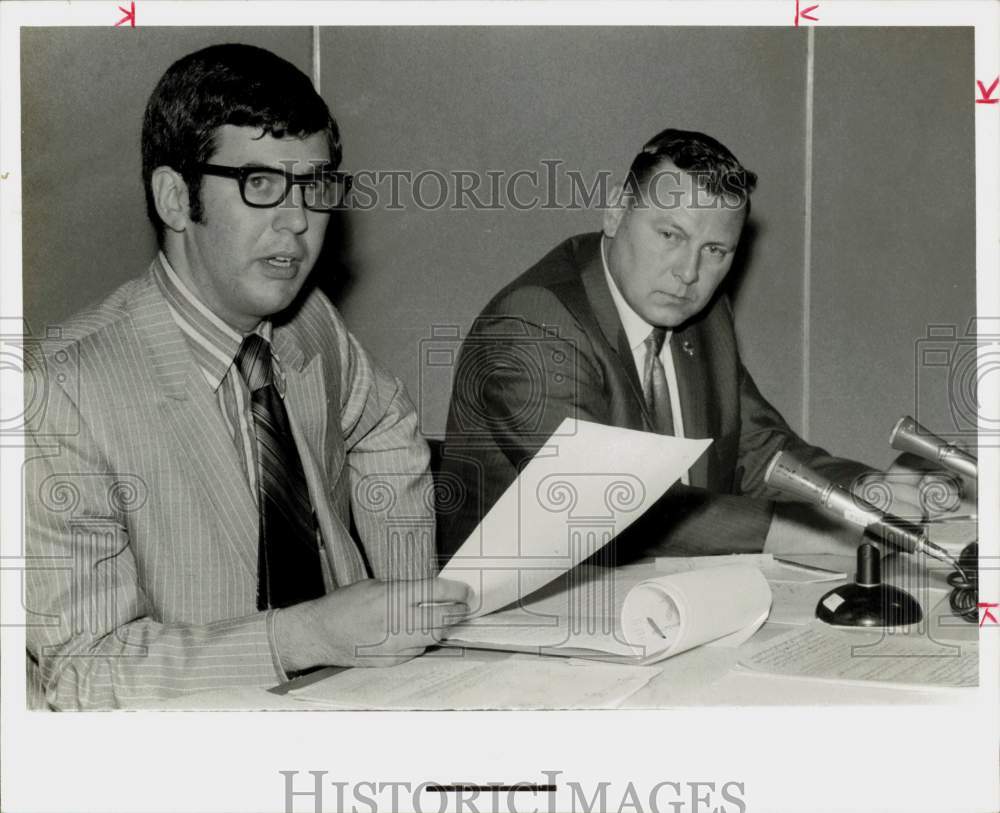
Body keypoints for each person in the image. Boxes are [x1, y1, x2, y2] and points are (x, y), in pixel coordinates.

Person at [24, 44, 468, 710]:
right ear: (176, 198)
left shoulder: (307, 321)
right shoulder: (57, 392)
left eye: (315, 186)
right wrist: (306, 634)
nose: (298, 221)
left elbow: (386, 422)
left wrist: (407, 602)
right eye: (260, 183)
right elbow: (85, 669)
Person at [439, 128, 927, 559]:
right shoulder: (531, 325)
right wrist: (810, 531)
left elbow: (757, 451)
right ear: (614, 212)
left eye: (714, 251)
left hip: (655, 597)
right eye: (670, 234)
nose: (689, 273)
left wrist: (858, 491)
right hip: (515, 617)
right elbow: (609, 504)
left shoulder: (698, 312)